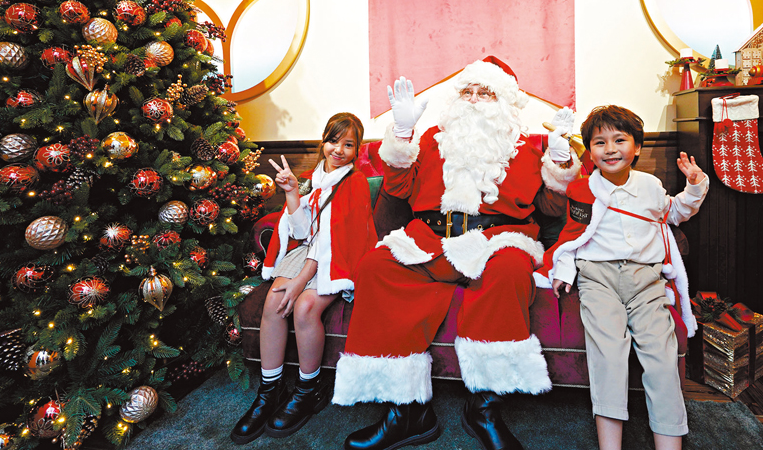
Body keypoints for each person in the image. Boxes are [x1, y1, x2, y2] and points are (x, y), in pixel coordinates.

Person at [332, 57, 581, 450]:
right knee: (377, 266)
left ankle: (483, 407)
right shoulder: (432, 138)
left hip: (496, 241)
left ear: (505, 102)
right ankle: (405, 411)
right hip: (429, 241)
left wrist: (561, 163)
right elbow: (397, 191)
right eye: (468, 91)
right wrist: (401, 133)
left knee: (510, 270)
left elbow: (552, 210)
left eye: (486, 92)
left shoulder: (528, 148)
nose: (476, 99)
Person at [537, 105, 707, 450]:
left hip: (645, 280)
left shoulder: (650, 185)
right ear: (590, 151)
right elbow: (573, 236)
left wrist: (694, 186)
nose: (610, 149)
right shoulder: (582, 190)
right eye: (600, 142)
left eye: (620, 140)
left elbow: (674, 213)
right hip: (598, 278)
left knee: (661, 356)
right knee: (609, 355)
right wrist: (564, 271)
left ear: (638, 147)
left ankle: (669, 442)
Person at [230, 112, 377, 445]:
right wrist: (293, 193)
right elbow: (300, 231)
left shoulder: (353, 182)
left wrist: (300, 282)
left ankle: (306, 390)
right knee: (273, 303)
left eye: (348, 144)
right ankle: (270, 391)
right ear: (323, 141)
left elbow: (334, 239)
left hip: (340, 257)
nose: (338, 149)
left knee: (304, 308)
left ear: (356, 150)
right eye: (333, 140)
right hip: (311, 252)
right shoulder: (316, 177)